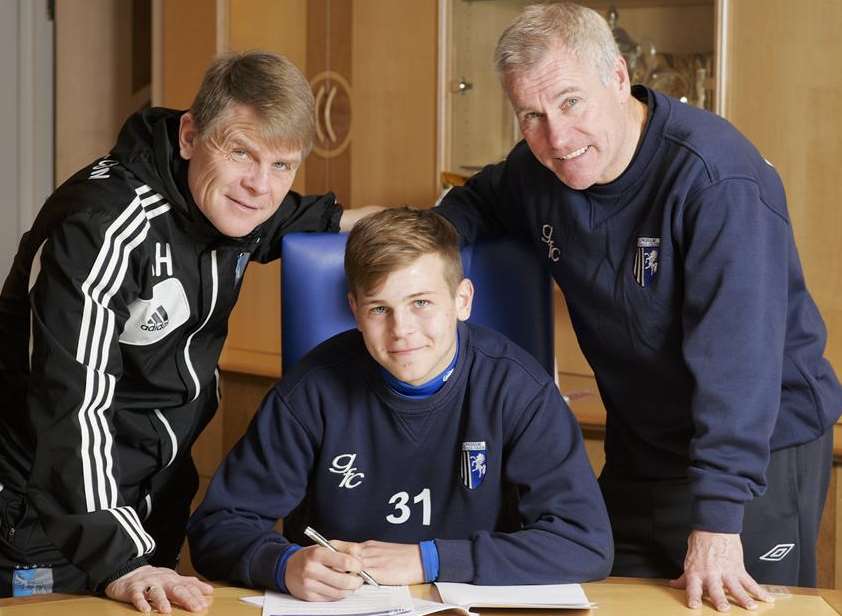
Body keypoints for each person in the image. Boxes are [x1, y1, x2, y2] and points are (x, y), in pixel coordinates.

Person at [434, 2, 842, 612]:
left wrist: (718, 522)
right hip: (641, 443)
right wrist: (421, 248)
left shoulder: (714, 180)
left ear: (619, 78)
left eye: (571, 102)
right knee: (601, 599)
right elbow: (481, 200)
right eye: (532, 116)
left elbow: (741, 366)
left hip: (756, 448)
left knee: (729, 607)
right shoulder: (541, 167)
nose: (557, 139)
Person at [0, 51, 376, 612]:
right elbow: (72, 410)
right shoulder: (102, 226)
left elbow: (316, 218)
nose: (259, 186)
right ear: (190, 136)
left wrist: (443, 228)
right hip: (46, 520)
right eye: (241, 152)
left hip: (148, 512)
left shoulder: (231, 202)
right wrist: (121, 561)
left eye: (282, 166)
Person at [186, 207, 612, 600]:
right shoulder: (310, 391)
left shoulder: (519, 389)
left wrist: (428, 559)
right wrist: (282, 565)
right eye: (379, 309)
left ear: (462, 300)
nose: (401, 331)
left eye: (421, 303)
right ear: (354, 309)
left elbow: (585, 542)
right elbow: (217, 528)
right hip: (344, 608)